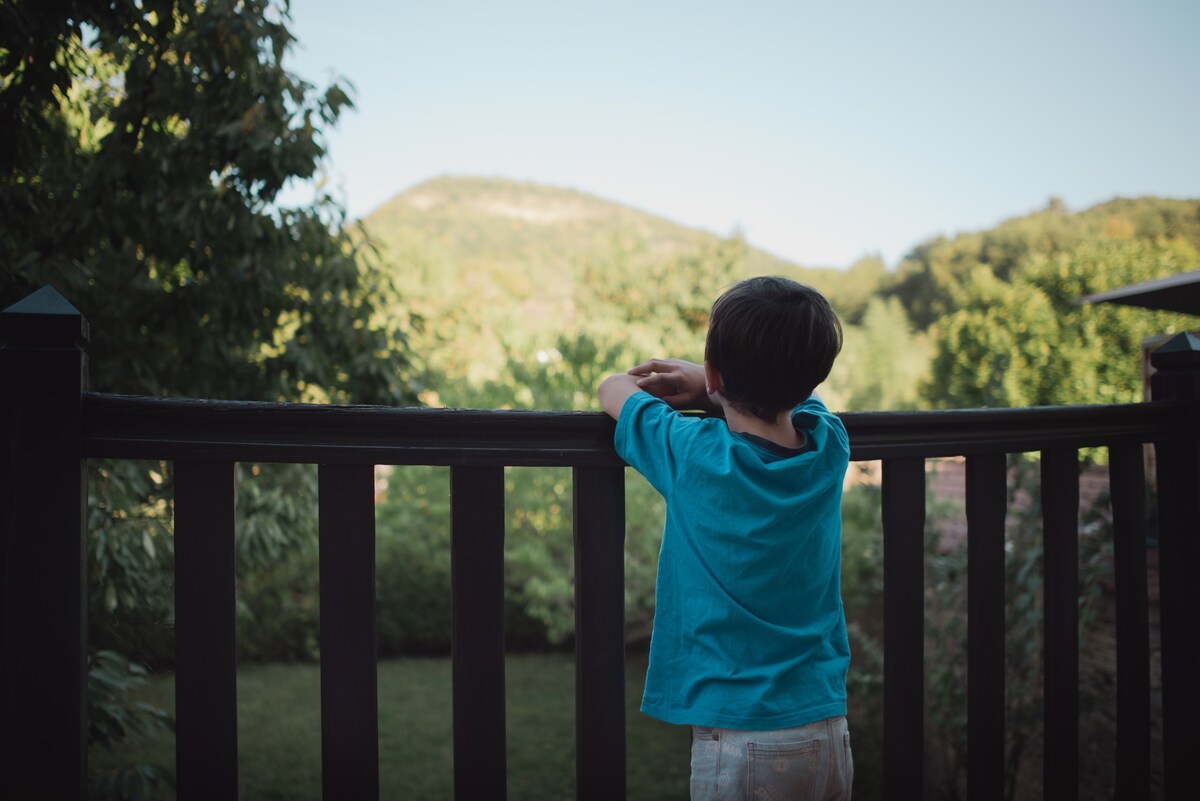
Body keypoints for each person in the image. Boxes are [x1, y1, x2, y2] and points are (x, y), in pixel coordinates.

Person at [597, 275, 853, 801]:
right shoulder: (829, 447)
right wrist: (718, 387)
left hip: (739, 733)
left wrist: (704, 384)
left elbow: (612, 390)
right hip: (827, 724)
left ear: (713, 374)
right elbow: (807, 409)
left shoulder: (695, 454)